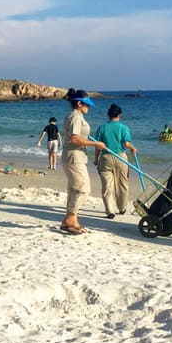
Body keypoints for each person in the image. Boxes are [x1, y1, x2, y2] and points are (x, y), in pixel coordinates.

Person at [60, 88, 106, 234]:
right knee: (83, 189)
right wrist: (96, 144)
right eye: (87, 105)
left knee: (74, 189)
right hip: (74, 156)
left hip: (75, 156)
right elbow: (74, 138)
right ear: (79, 103)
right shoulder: (76, 117)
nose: (89, 107)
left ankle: (72, 221)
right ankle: (69, 219)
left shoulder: (76, 116)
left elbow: (76, 136)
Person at [94, 104, 137, 219]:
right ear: (119, 115)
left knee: (107, 185)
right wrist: (132, 148)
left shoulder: (102, 127)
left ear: (108, 115)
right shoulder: (124, 128)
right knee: (122, 184)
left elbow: (98, 146)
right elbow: (126, 144)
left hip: (106, 157)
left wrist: (96, 159)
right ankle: (122, 208)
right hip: (121, 157)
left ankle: (110, 211)